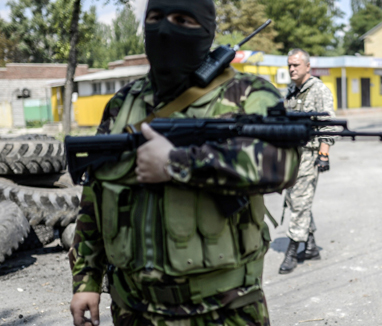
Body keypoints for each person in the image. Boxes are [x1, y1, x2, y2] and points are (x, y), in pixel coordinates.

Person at [68, 0, 300, 325]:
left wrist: (176, 163)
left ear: (206, 31)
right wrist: (86, 281)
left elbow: (282, 163)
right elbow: (95, 196)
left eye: (181, 20)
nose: (165, 30)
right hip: (133, 310)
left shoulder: (248, 94)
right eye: (155, 18)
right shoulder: (123, 105)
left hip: (223, 310)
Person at [278, 49, 336, 274]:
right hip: (293, 153)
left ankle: (292, 250)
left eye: (295, 65)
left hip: (310, 154)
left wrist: (324, 154)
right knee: (295, 199)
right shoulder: (292, 90)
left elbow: (328, 124)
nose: (292, 69)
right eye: (289, 65)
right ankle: (311, 246)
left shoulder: (319, 90)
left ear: (307, 67)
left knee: (300, 200)